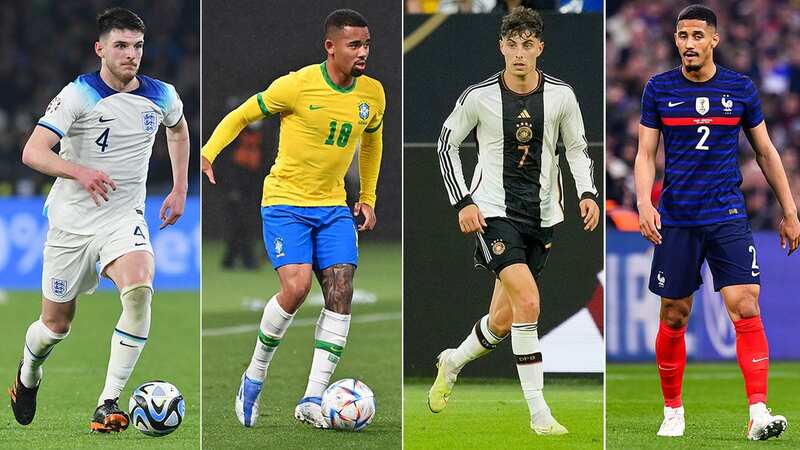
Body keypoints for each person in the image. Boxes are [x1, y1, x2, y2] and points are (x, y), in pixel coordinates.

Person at [200, 9, 385, 429]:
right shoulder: (297, 85)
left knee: (341, 290)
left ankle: (313, 397)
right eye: (354, 45)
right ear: (331, 46)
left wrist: (368, 196)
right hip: (285, 203)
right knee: (298, 288)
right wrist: (209, 151)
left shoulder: (372, 93)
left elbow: (373, 142)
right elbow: (243, 113)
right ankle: (255, 374)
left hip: (334, 207)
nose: (363, 52)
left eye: (367, 44)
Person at [8, 7, 189, 433]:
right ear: (100, 49)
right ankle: (28, 374)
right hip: (71, 222)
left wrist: (180, 187)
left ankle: (108, 402)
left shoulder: (162, 94)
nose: (131, 55)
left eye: (138, 46)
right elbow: (33, 152)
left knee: (141, 286)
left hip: (123, 215)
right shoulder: (77, 95)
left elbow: (177, 130)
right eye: (121, 46)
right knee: (55, 327)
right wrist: (80, 171)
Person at [428, 7, 599, 436]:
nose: (519, 54)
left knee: (502, 322)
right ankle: (539, 414)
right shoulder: (479, 96)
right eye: (512, 45)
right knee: (529, 303)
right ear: (501, 47)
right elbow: (446, 145)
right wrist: (463, 201)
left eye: (528, 45)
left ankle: (452, 360)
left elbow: (576, 148)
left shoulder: (562, 96)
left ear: (540, 48)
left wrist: (588, 192)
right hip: (493, 213)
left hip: (542, 217)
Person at [634, 4, 799, 440]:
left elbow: (765, 153)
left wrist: (790, 210)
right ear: (675, 40)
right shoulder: (659, 89)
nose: (689, 43)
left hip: (726, 214)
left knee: (746, 303)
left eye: (697, 36)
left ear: (714, 40)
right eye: (682, 36)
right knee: (673, 315)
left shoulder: (740, 89)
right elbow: (646, 153)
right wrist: (643, 203)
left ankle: (758, 412)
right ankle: (673, 411)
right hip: (678, 217)